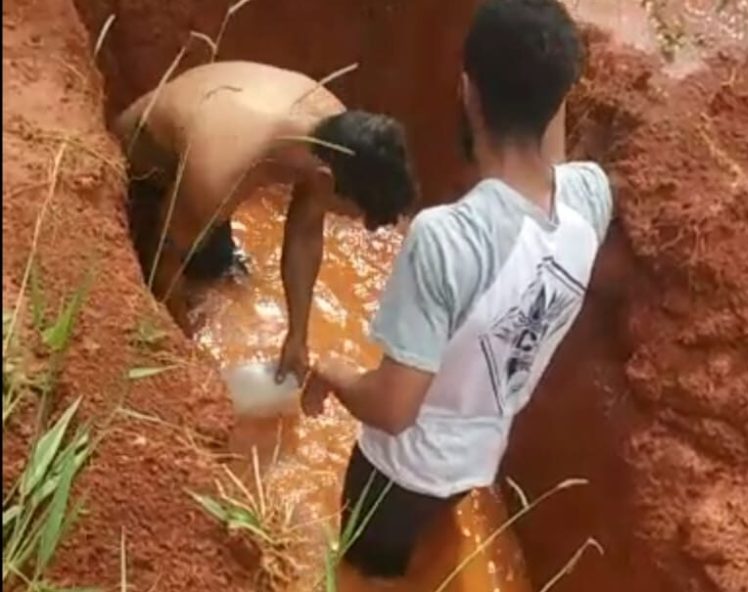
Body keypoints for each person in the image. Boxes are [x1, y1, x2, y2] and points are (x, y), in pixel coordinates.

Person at [300, 0, 614, 581]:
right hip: (477, 462)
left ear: (468, 90)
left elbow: (394, 412)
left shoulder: (446, 238)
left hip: (397, 475)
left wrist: (333, 370)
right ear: (558, 95)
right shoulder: (590, 200)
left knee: (362, 575)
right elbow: (556, 158)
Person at [113, 61, 417, 382]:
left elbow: (305, 233)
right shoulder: (221, 172)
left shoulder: (332, 134)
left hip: (196, 161)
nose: (356, 223)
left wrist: (297, 337)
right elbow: (164, 260)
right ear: (326, 181)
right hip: (141, 172)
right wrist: (191, 359)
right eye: (354, 213)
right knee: (172, 288)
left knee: (222, 275)